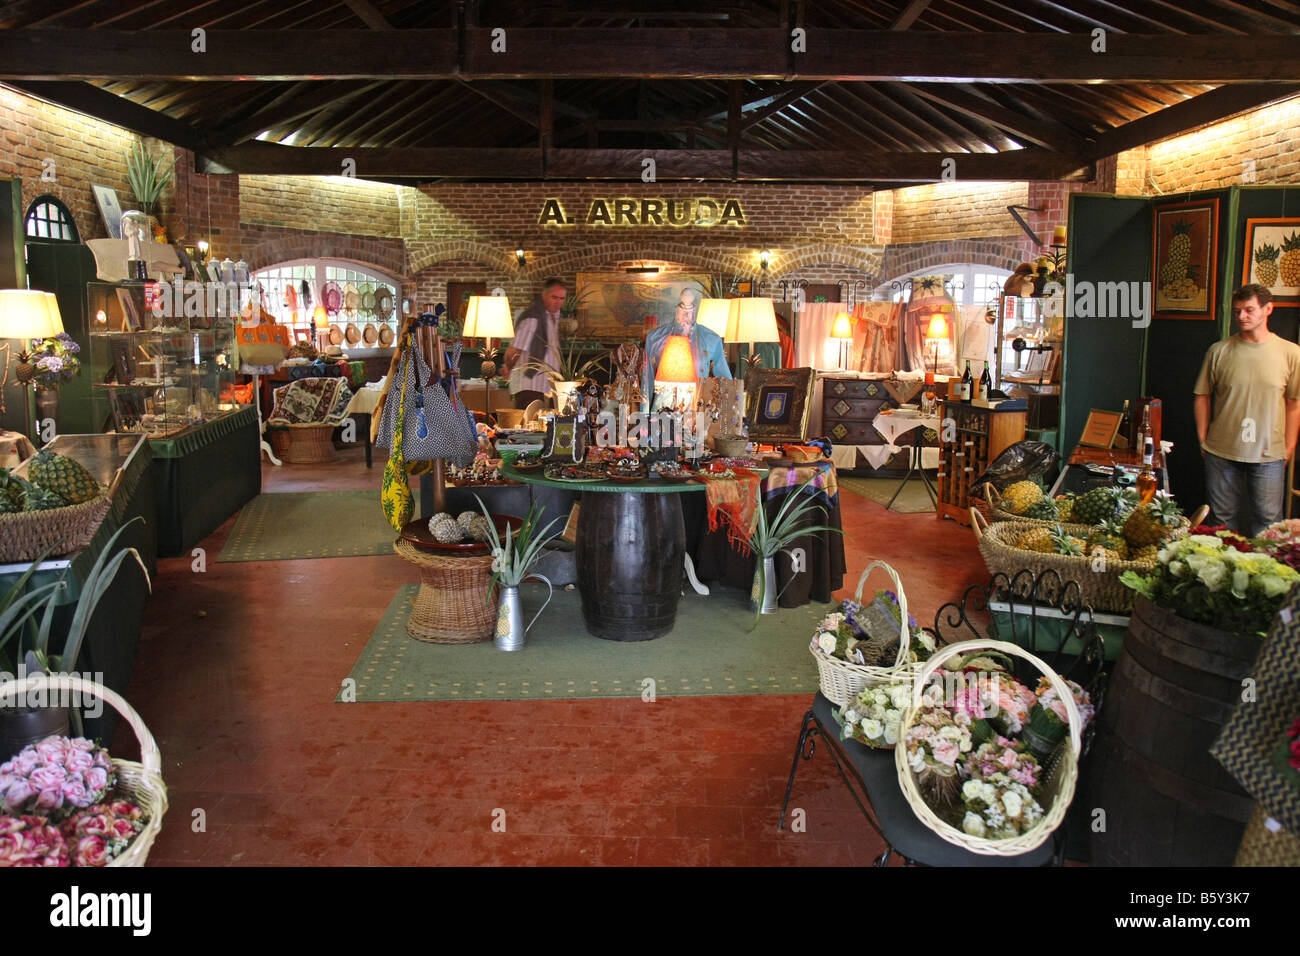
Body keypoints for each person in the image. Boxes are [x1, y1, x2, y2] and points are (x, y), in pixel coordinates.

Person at [1193, 283, 1300, 536]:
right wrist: (1203, 438)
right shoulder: (1219, 351)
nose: (1241, 317)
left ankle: (1263, 574)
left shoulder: (1291, 353)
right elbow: (1202, 397)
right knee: (1221, 522)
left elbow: (1294, 403)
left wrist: (1288, 448)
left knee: (1269, 523)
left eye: (1249, 310)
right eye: (1238, 311)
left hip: (1269, 453)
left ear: (1268, 309)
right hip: (1220, 450)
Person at [642, 288, 731, 409]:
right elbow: (647, 381)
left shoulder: (711, 339)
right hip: (663, 411)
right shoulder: (655, 338)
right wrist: (644, 417)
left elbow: (725, 382)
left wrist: (726, 413)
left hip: (698, 409)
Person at [502, 278, 565, 410]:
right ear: (544, 295)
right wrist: (508, 367)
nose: (558, 302)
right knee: (527, 429)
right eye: (554, 297)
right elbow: (513, 351)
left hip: (545, 387)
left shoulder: (552, 316)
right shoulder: (532, 318)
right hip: (530, 385)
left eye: (562, 298)